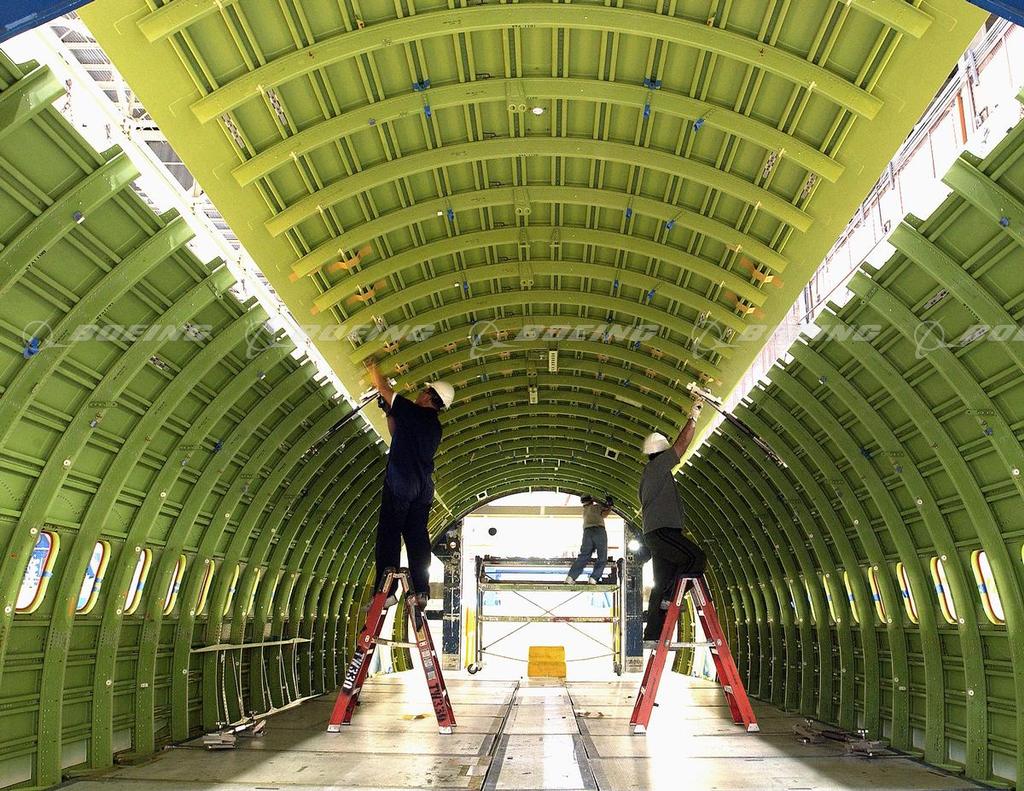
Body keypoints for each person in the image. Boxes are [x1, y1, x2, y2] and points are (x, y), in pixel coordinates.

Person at [365, 359, 455, 609]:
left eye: (424, 390)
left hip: (402, 481)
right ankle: (420, 591)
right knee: (417, 538)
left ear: (428, 395)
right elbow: (397, 433)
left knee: (389, 534)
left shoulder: (414, 412)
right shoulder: (434, 426)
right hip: (423, 488)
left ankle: (386, 593)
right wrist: (389, 411)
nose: (419, 393)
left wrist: (372, 367)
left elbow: (384, 389)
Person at [639, 396, 706, 645]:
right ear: (661, 453)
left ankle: (652, 635)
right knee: (696, 559)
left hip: (655, 535)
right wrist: (694, 416)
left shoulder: (650, 475)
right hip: (664, 532)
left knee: (661, 582)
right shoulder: (658, 467)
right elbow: (681, 445)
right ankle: (671, 597)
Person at [565, 494, 613, 584]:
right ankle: (594, 578)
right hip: (599, 531)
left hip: (587, 532)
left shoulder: (585, 511)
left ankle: (570, 577)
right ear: (591, 500)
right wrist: (610, 505)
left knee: (584, 556)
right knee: (602, 556)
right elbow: (605, 514)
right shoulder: (596, 507)